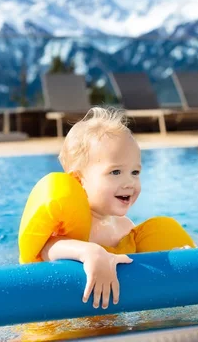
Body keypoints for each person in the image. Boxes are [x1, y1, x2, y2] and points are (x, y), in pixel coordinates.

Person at [40, 106, 141, 310]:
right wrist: (89, 252)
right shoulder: (69, 227)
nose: (130, 182)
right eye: (115, 172)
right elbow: (46, 248)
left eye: (135, 172)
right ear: (79, 180)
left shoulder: (126, 227)